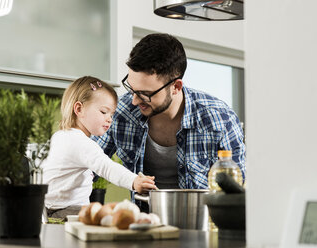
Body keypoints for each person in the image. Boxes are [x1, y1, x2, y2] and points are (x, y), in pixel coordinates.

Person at [93, 33, 246, 210]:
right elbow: (89, 163)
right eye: (132, 89)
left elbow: (237, 193)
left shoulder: (219, 119)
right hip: (145, 227)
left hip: (202, 229)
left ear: (176, 87)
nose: (134, 100)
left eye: (145, 94)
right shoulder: (121, 113)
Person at [42, 76, 157, 219]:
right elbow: (107, 167)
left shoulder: (59, 136)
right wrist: (134, 181)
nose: (109, 119)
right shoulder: (80, 142)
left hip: (48, 210)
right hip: (68, 212)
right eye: (104, 112)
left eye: (112, 114)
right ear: (79, 109)